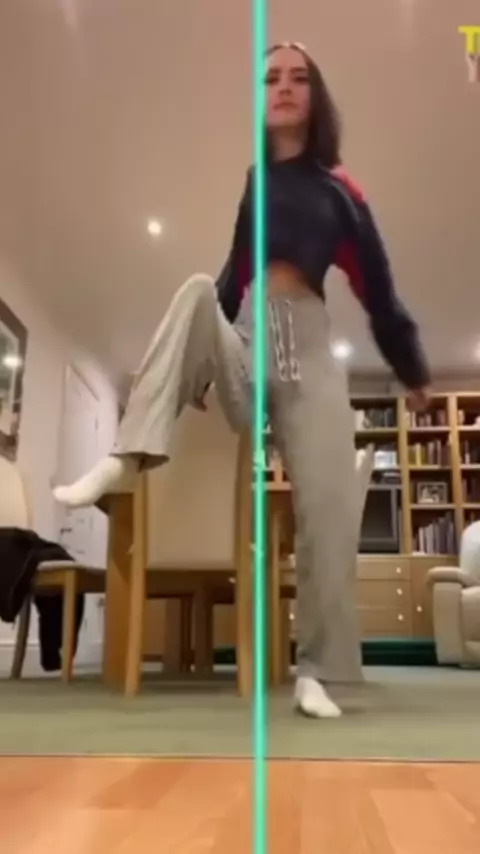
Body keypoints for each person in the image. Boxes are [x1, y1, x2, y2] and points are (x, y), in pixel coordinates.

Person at [54, 43, 431, 718]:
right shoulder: (258, 180)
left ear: (315, 97)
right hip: (253, 336)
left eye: (298, 78)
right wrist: (207, 353)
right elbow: (233, 270)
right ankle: (125, 456)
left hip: (307, 346)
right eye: (271, 77)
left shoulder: (341, 190)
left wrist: (412, 371)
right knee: (198, 288)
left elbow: (379, 289)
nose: (283, 86)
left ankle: (315, 672)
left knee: (326, 508)